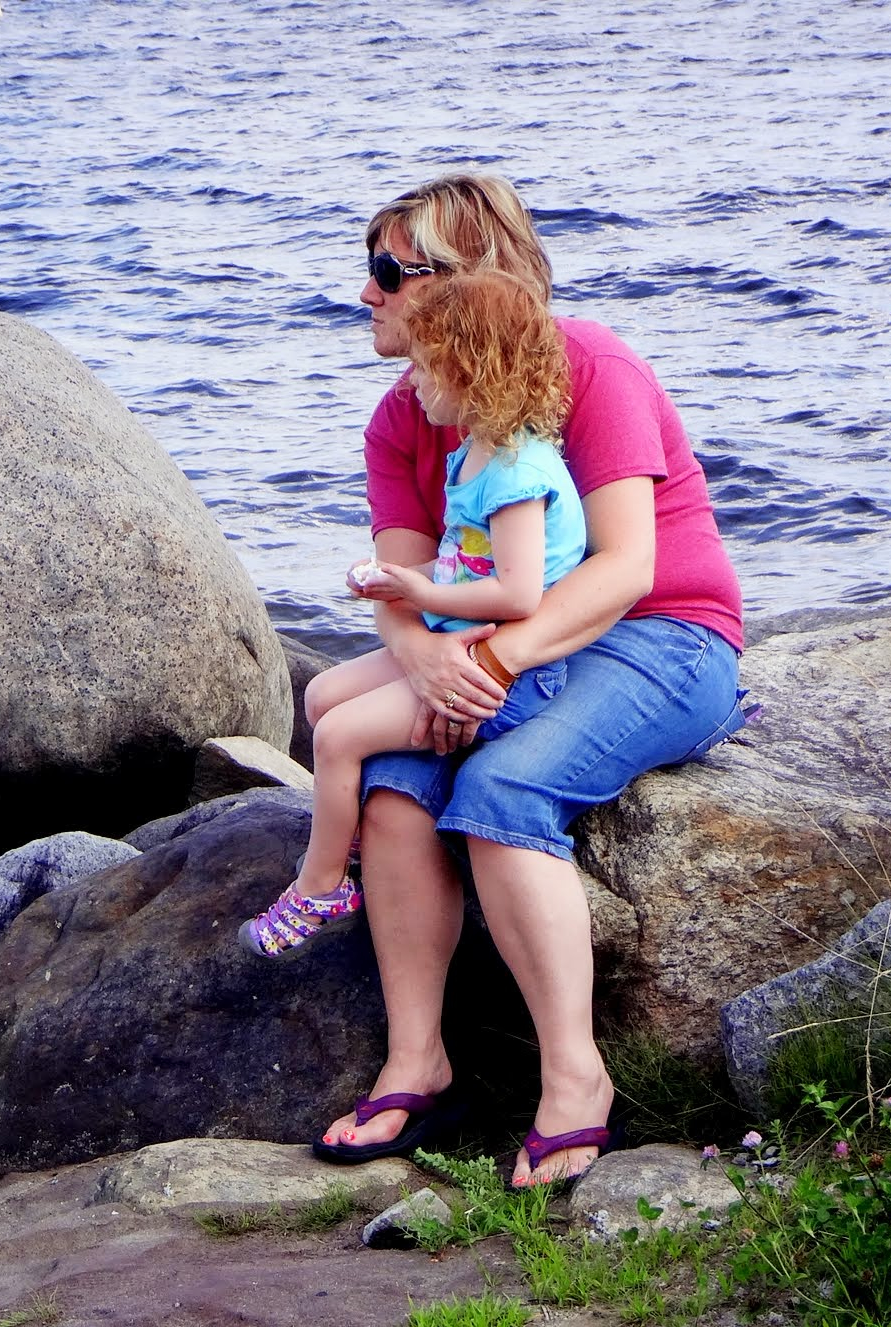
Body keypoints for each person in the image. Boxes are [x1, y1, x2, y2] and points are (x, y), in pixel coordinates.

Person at [313, 173, 745, 1186]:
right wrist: (425, 658)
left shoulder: (588, 364)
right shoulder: (402, 417)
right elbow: (398, 581)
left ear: (467, 277)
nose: (366, 293)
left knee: (502, 788)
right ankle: (418, 1064)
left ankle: (575, 1082)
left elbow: (625, 567)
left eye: (389, 272)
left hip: (662, 640)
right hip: (493, 645)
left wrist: (484, 665)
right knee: (396, 786)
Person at [240, 271, 586, 959]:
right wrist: (399, 580)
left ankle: (320, 886)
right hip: (461, 639)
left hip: (509, 679)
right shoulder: (474, 454)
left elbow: (519, 594)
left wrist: (422, 597)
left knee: (337, 737)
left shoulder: (518, 474)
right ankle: (346, 837)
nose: (412, 382)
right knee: (322, 695)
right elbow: (464, 565)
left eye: (427, 368)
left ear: (472, 374)